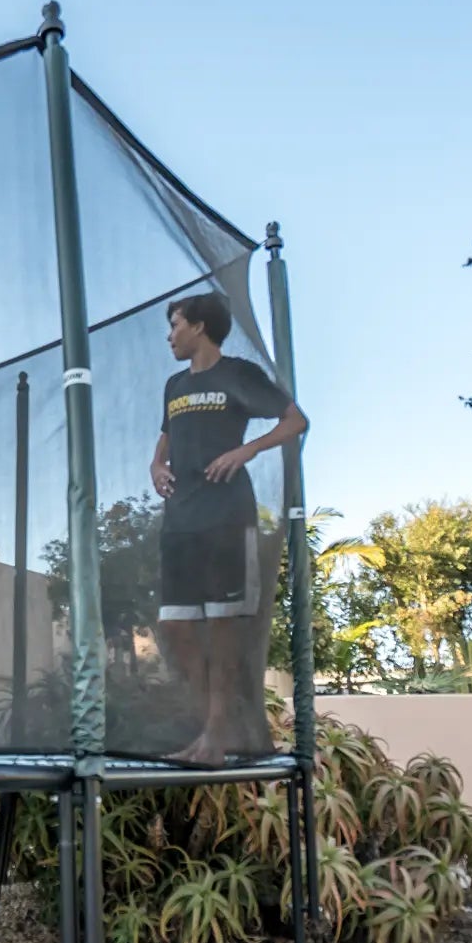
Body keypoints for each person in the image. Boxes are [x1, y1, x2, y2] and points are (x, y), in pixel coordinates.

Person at [150, 293, 308, 765]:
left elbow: (295, 420)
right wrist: (156, 465)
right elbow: (164, 440)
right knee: (174, 627)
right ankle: (217, 723)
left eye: (175, 324)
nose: (170, 335)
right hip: (181, 519)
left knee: (221, 626)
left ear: (198, 326)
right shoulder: (174, 385)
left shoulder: (238, 374)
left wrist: (247, 451)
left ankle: (216, 737)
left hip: (226, 515)